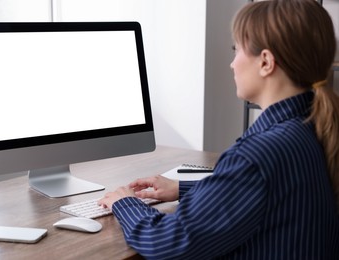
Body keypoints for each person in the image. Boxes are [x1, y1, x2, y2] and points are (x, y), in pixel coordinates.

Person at [98, 0, 339, 259]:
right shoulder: (313, 125)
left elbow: (168, 243)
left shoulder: (258, 153)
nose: (232, 64)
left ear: (266, 62)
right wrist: (184, 187)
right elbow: (267, 191)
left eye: (237, 50)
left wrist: (125, 203)